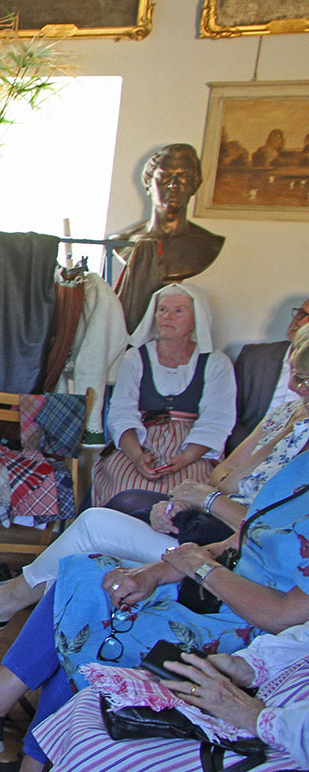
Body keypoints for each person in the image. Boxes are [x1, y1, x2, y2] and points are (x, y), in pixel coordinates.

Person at [0, 449, 309, 772]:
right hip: (217, 589)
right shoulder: (301, 463)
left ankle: (18, 750)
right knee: (85, 576)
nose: (299, 390)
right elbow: (235, 542)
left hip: (251, 629)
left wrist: (200, 566)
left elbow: (280, 617)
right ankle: (5, 725)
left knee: (97, 614)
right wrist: (151, 573)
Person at [0, 321, 309, 633]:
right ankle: (16, 599)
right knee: (126, 497)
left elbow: (263, 523)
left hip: (241, 554)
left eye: (304, 379)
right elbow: (226, 474)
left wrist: (203, 496)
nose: (293, 386)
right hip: (214, 515)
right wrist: (182, 501)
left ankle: (2, 602)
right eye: (294, 374)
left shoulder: (218, 366)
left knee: (96, 527)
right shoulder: (288, 414)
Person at [31, 622, 309, 772]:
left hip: (289, 743)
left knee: (127, 751)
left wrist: (256, 717)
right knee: (99, 699)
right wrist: (247, 666)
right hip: (271, 698)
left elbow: (280, 609)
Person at [91, 283, 235, 506]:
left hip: (192, 447)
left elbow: (217, 419)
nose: (168, 317)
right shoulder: (135, 358)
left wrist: (186, 457)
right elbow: (122, 412)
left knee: (188, 494)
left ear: (196, 319)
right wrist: (138, 456)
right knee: (125, 487)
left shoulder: (216, 363)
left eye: (178, 311)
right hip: (141, 441)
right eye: (162, 310)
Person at [113, 144, 226, 330]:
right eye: (165, 177)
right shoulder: (123, 242)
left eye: (183, 177)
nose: (173, 185)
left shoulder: (209, 244)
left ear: (194, 184)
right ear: (149, 183)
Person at [229, 296, 309, 453]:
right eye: (301, 314)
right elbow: (229, 416)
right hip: (246, 450)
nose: (299, 322)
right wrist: (246, 455)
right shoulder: (254, 357)